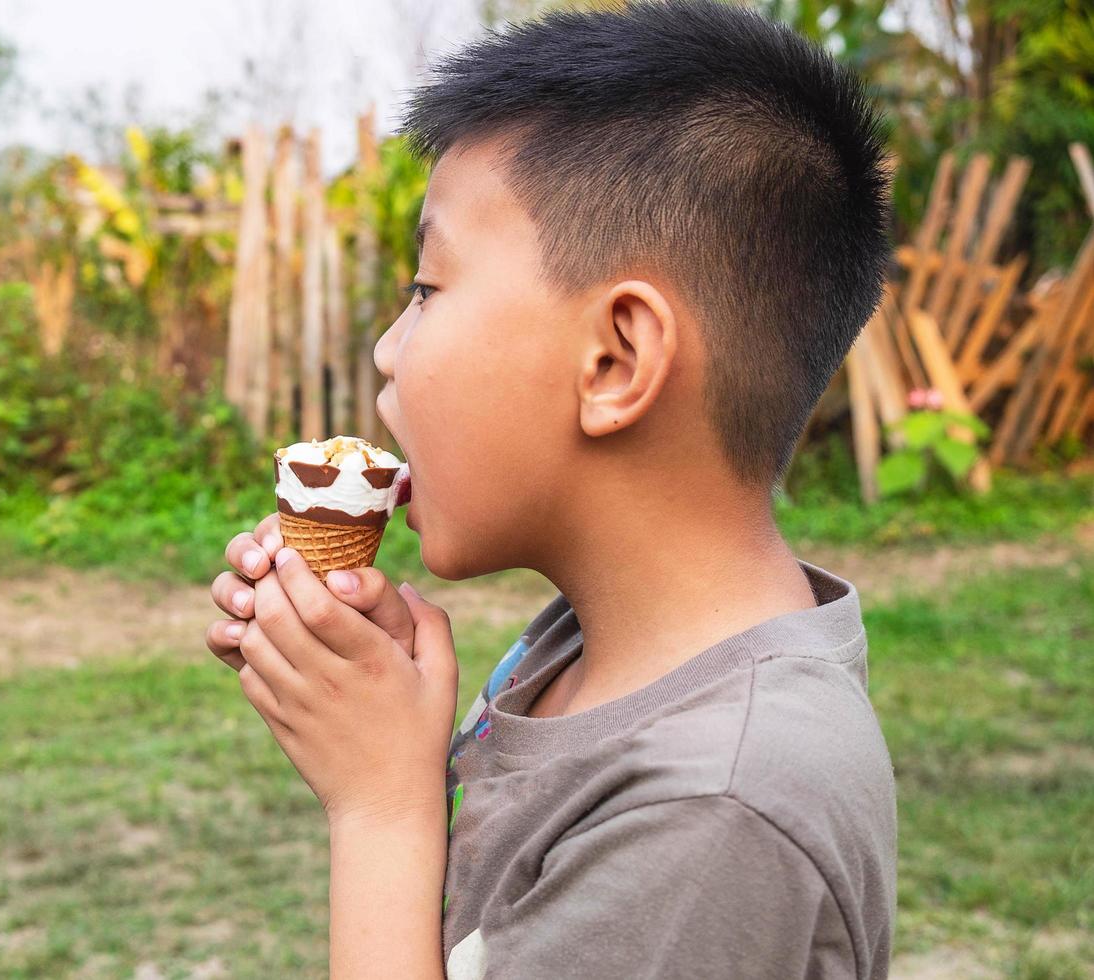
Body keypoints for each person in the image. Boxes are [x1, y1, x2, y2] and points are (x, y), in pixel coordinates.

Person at [204, 1, 897, 976]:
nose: (386, 350)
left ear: (614, 358)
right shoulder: (586, 644)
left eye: (426, 289)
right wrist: (377, 708)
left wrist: (382, 809)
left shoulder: (718, 808)